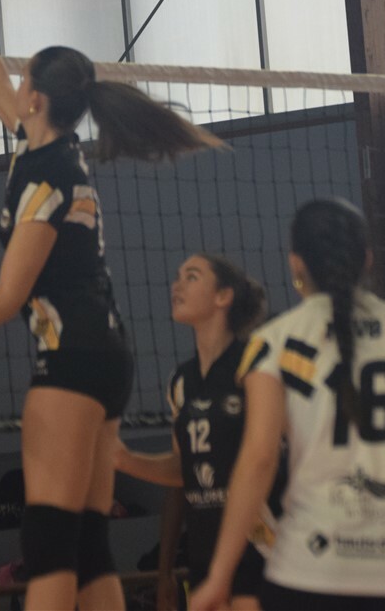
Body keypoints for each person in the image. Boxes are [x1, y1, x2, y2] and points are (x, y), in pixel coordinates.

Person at [0, 0, 222, 611]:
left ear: (37, 99)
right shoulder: (48, 149)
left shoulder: (46, 179)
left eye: (24, 77)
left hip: (71, 358)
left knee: (48, 542)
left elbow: (8, 297)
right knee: (86, 541)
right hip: (104, 355)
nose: (14, 83)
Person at [193, 198, 385, 611]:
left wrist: (220, 574)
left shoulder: (274, 340)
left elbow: (259, 459)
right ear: (367, 259)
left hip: (314, 569)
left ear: (295, 263)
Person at [116, 255, 280, 610]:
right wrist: (122, 459)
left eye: (191, 277)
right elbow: (183, 472)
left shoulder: (257, 362)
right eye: (177, 277)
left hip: (264, 547)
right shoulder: (181, 382)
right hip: (205, 550)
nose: (177, 285)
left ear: (223, 296)